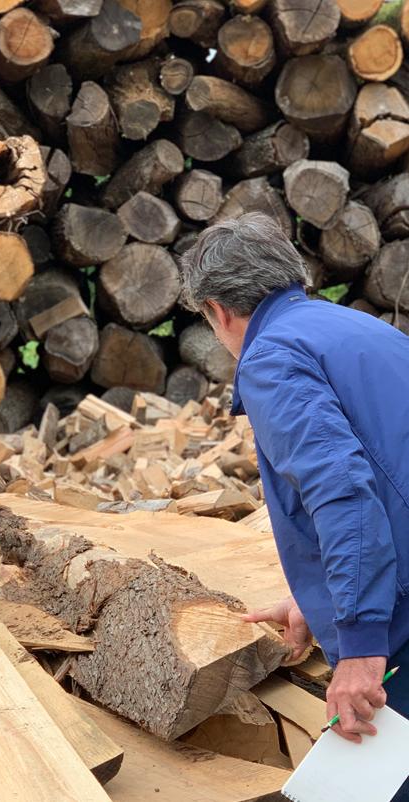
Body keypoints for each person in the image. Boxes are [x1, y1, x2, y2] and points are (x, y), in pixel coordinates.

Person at [181, 212, 409, 799]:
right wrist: (319, 594)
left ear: (218, 310)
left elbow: (344, 492)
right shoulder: (361, 331)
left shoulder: (272, 359)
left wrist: (359, 644)